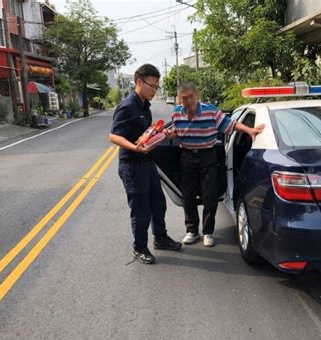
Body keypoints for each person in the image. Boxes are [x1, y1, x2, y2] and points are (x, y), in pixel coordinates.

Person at [166, 82, 264, 247]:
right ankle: (192, 231)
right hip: (187, 157)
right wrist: (171, 134)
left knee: (209, 196)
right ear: (179, 99)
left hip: (207, 156)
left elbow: (231, 125)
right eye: (183, 98)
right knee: (188, 196)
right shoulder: (176, 113)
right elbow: (177, 132)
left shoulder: (210, 111)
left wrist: (249, 130)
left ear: (197, 96)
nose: (187, 101)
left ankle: (208, 232)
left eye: (190, 97)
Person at [109, 64, 182, 264]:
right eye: (153, 86)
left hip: (147, 162)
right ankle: (139, 247)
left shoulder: (144, 105)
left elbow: (144, 131)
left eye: (157, 87)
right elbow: (114, 136)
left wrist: (161, 133)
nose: (155, 90)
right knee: (141, 209)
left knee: (158, 204)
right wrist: (134, 148)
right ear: (139, 82)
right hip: (132, 165)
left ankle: (160, 238)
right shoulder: (127, 106)